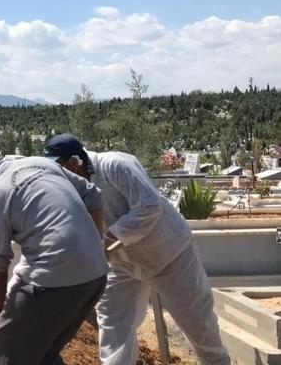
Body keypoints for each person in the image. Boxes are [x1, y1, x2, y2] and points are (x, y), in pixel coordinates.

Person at [44, 134, 230, 365]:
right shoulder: (71, 187)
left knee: (198, 322)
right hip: (121, 262)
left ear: (74, 163)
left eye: (59, 170)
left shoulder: (115, 165)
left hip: (168, 254)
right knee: (113, 323)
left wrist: (108, 240)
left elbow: (149, 206)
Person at [0, 137, 108, 365]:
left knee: (6, 348)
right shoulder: (41, 163)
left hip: (54, 278)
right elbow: (94, 195)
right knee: (42, 355)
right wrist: (96, 245)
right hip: (96, 275)